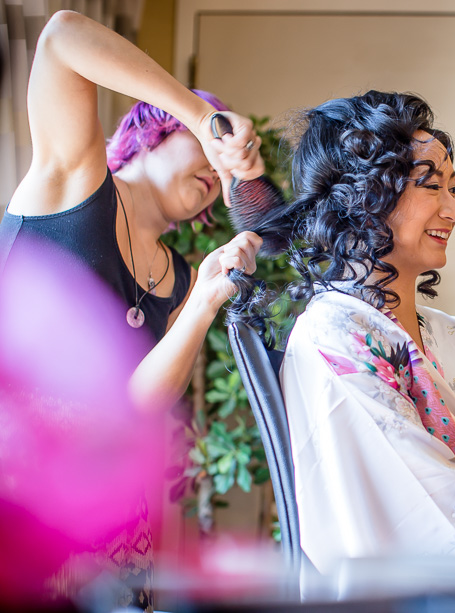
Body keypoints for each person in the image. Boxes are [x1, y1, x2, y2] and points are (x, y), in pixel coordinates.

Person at [232, 91, 455, 574]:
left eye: (453, 191)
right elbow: (430, 509)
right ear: (363, 195)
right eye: (430, 186)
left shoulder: (454, 336)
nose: (453, 211)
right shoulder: (333, 332)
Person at [0, 10, 263, 610]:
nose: (215, 160)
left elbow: (137, 402)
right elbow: (61, 37)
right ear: (153, 129)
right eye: (200, 145)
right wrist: (206, 116)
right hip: (17, 494)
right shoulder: (71, 181)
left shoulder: (178, 278)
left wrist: (204, 296)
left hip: (109, 539)